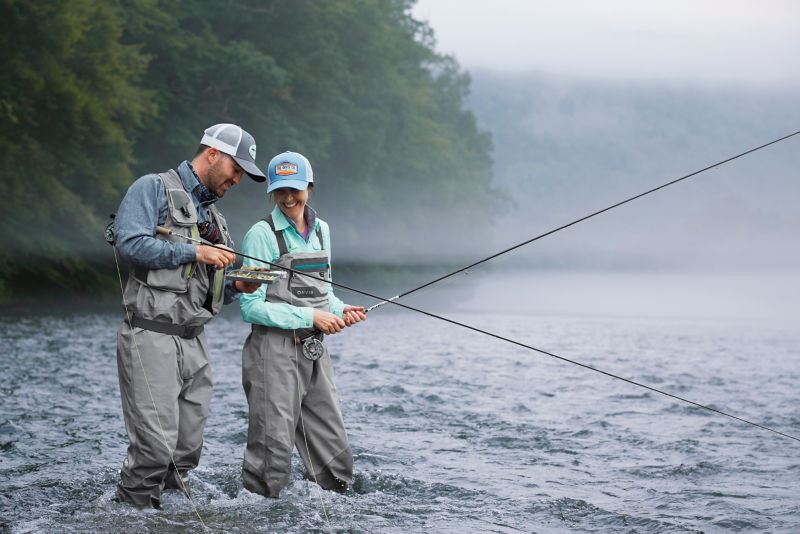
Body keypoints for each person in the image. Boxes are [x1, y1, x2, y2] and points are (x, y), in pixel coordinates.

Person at [113, 123, 263, 508]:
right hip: (151, 335)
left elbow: (206, 289)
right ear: (213, 154)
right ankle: (128, 517)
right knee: (154, 449)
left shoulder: (217, 221)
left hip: (195, 342)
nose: (238, 179)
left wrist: (237, 287)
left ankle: (169, 517)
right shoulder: (153, 187)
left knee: (186, 451)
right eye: (237, 169)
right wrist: (195, 252)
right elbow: (130, 243)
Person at [239, 151, 366, 497]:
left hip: (314, 349)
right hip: (272, 353)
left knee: (333, 447)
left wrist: (340, 311)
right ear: (272, 192)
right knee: (273, 449)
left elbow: (324, 294)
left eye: (295, 189)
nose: (289, 198)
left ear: (310, 186)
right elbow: (249, 306)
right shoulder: (260, 235)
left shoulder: (323, 231)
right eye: (280, 191)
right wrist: (313, 317)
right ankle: (260, 511)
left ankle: (338, 501)